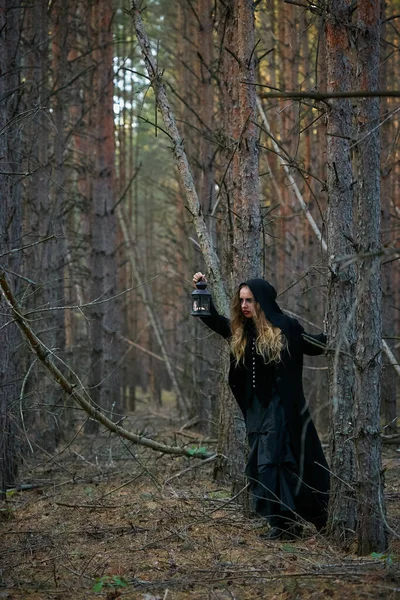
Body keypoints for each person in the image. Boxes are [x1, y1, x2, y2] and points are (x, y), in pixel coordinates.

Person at [192, 272, 330, 540]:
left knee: (274, 464)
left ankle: (287, 525)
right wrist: (201, 289)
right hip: (255, 409)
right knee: (260, 466)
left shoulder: (285, 327)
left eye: (250, 300)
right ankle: (283, 523)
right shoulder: (240, 330)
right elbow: (211, 319)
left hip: (279, 409)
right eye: (241, 300)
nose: (244, 305)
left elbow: (312, 346)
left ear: (262, 302)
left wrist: (333, 332)